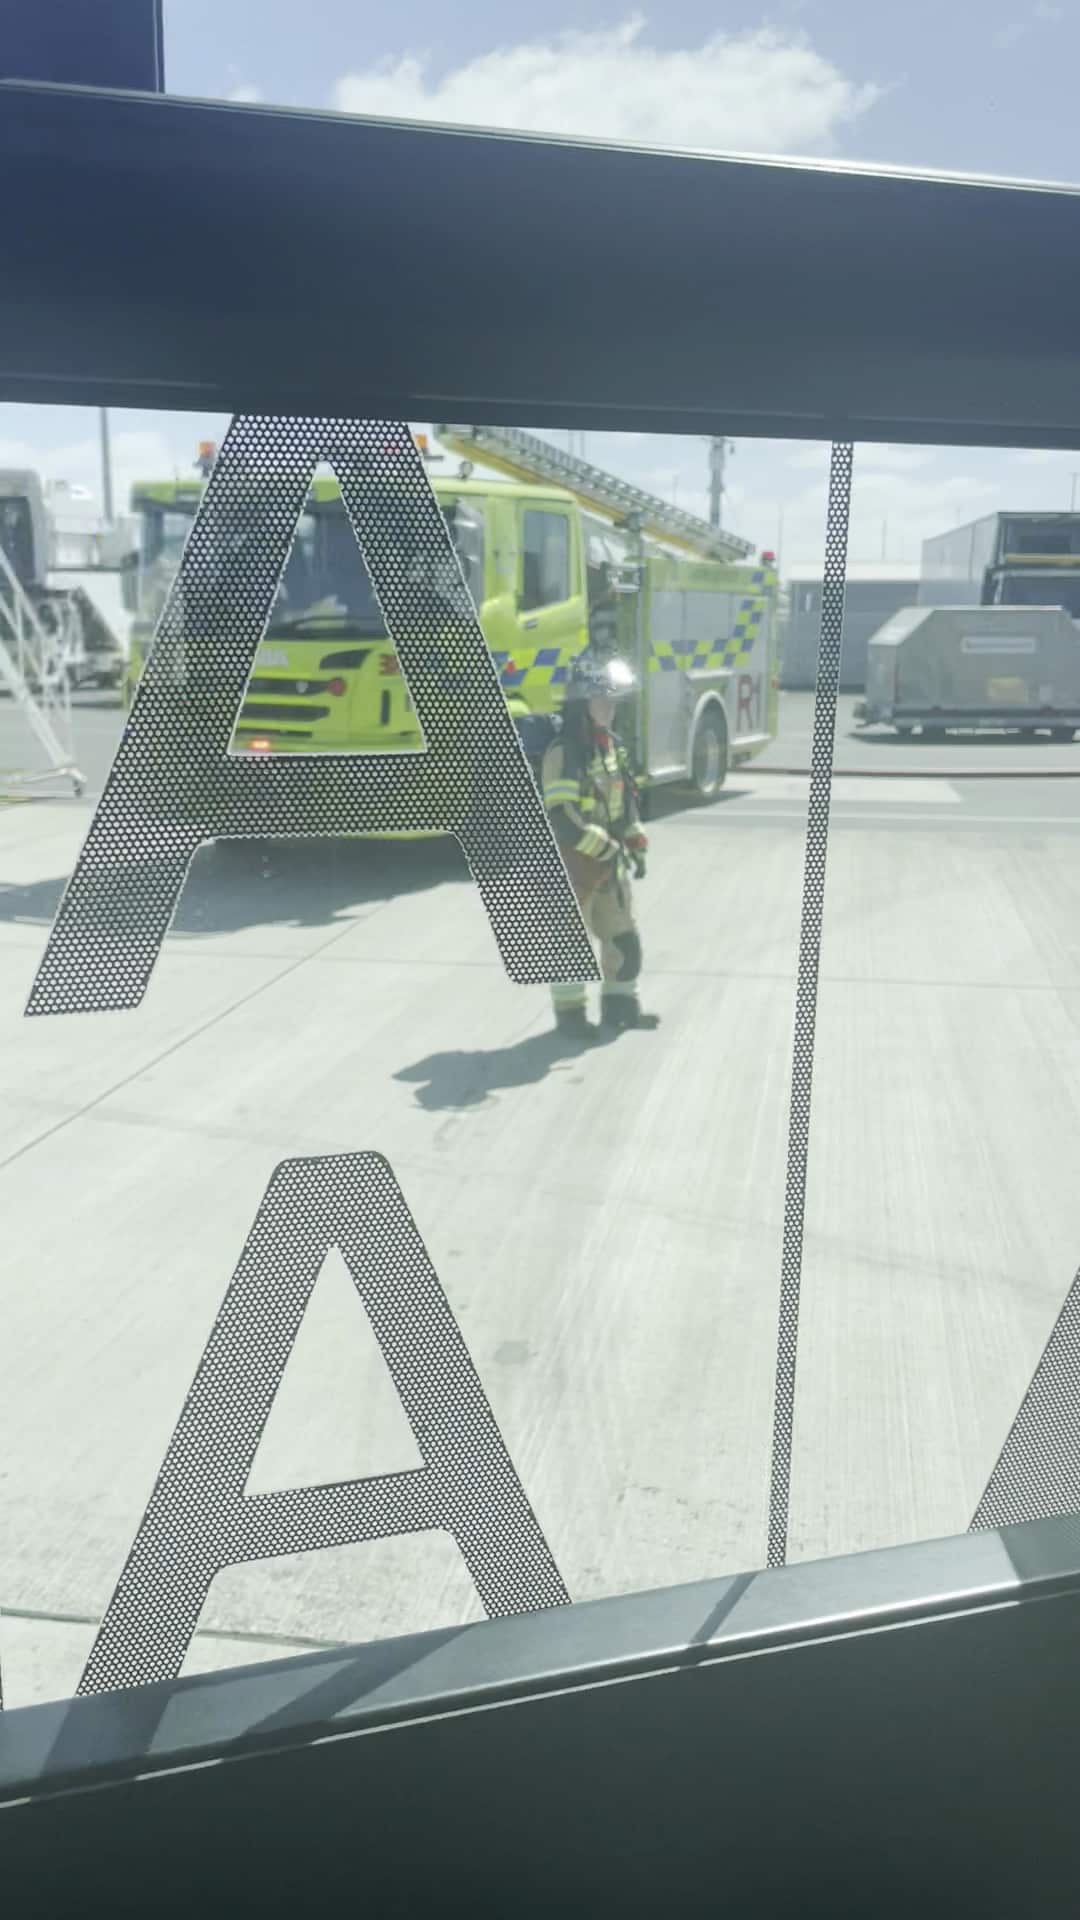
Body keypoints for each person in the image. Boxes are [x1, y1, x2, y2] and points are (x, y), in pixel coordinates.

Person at [541, 650, 657, 1037]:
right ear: (581, 702)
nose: (609, 708)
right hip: (575, 865)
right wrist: (604, 845)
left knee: (624, 938)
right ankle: (571, 1019)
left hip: (610, 863)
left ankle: (621, 1009)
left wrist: (634, 837)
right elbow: (562, 817)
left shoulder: (611, 746)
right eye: (600, 700)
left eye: (612, 701)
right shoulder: (564, 752)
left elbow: (622, 804)